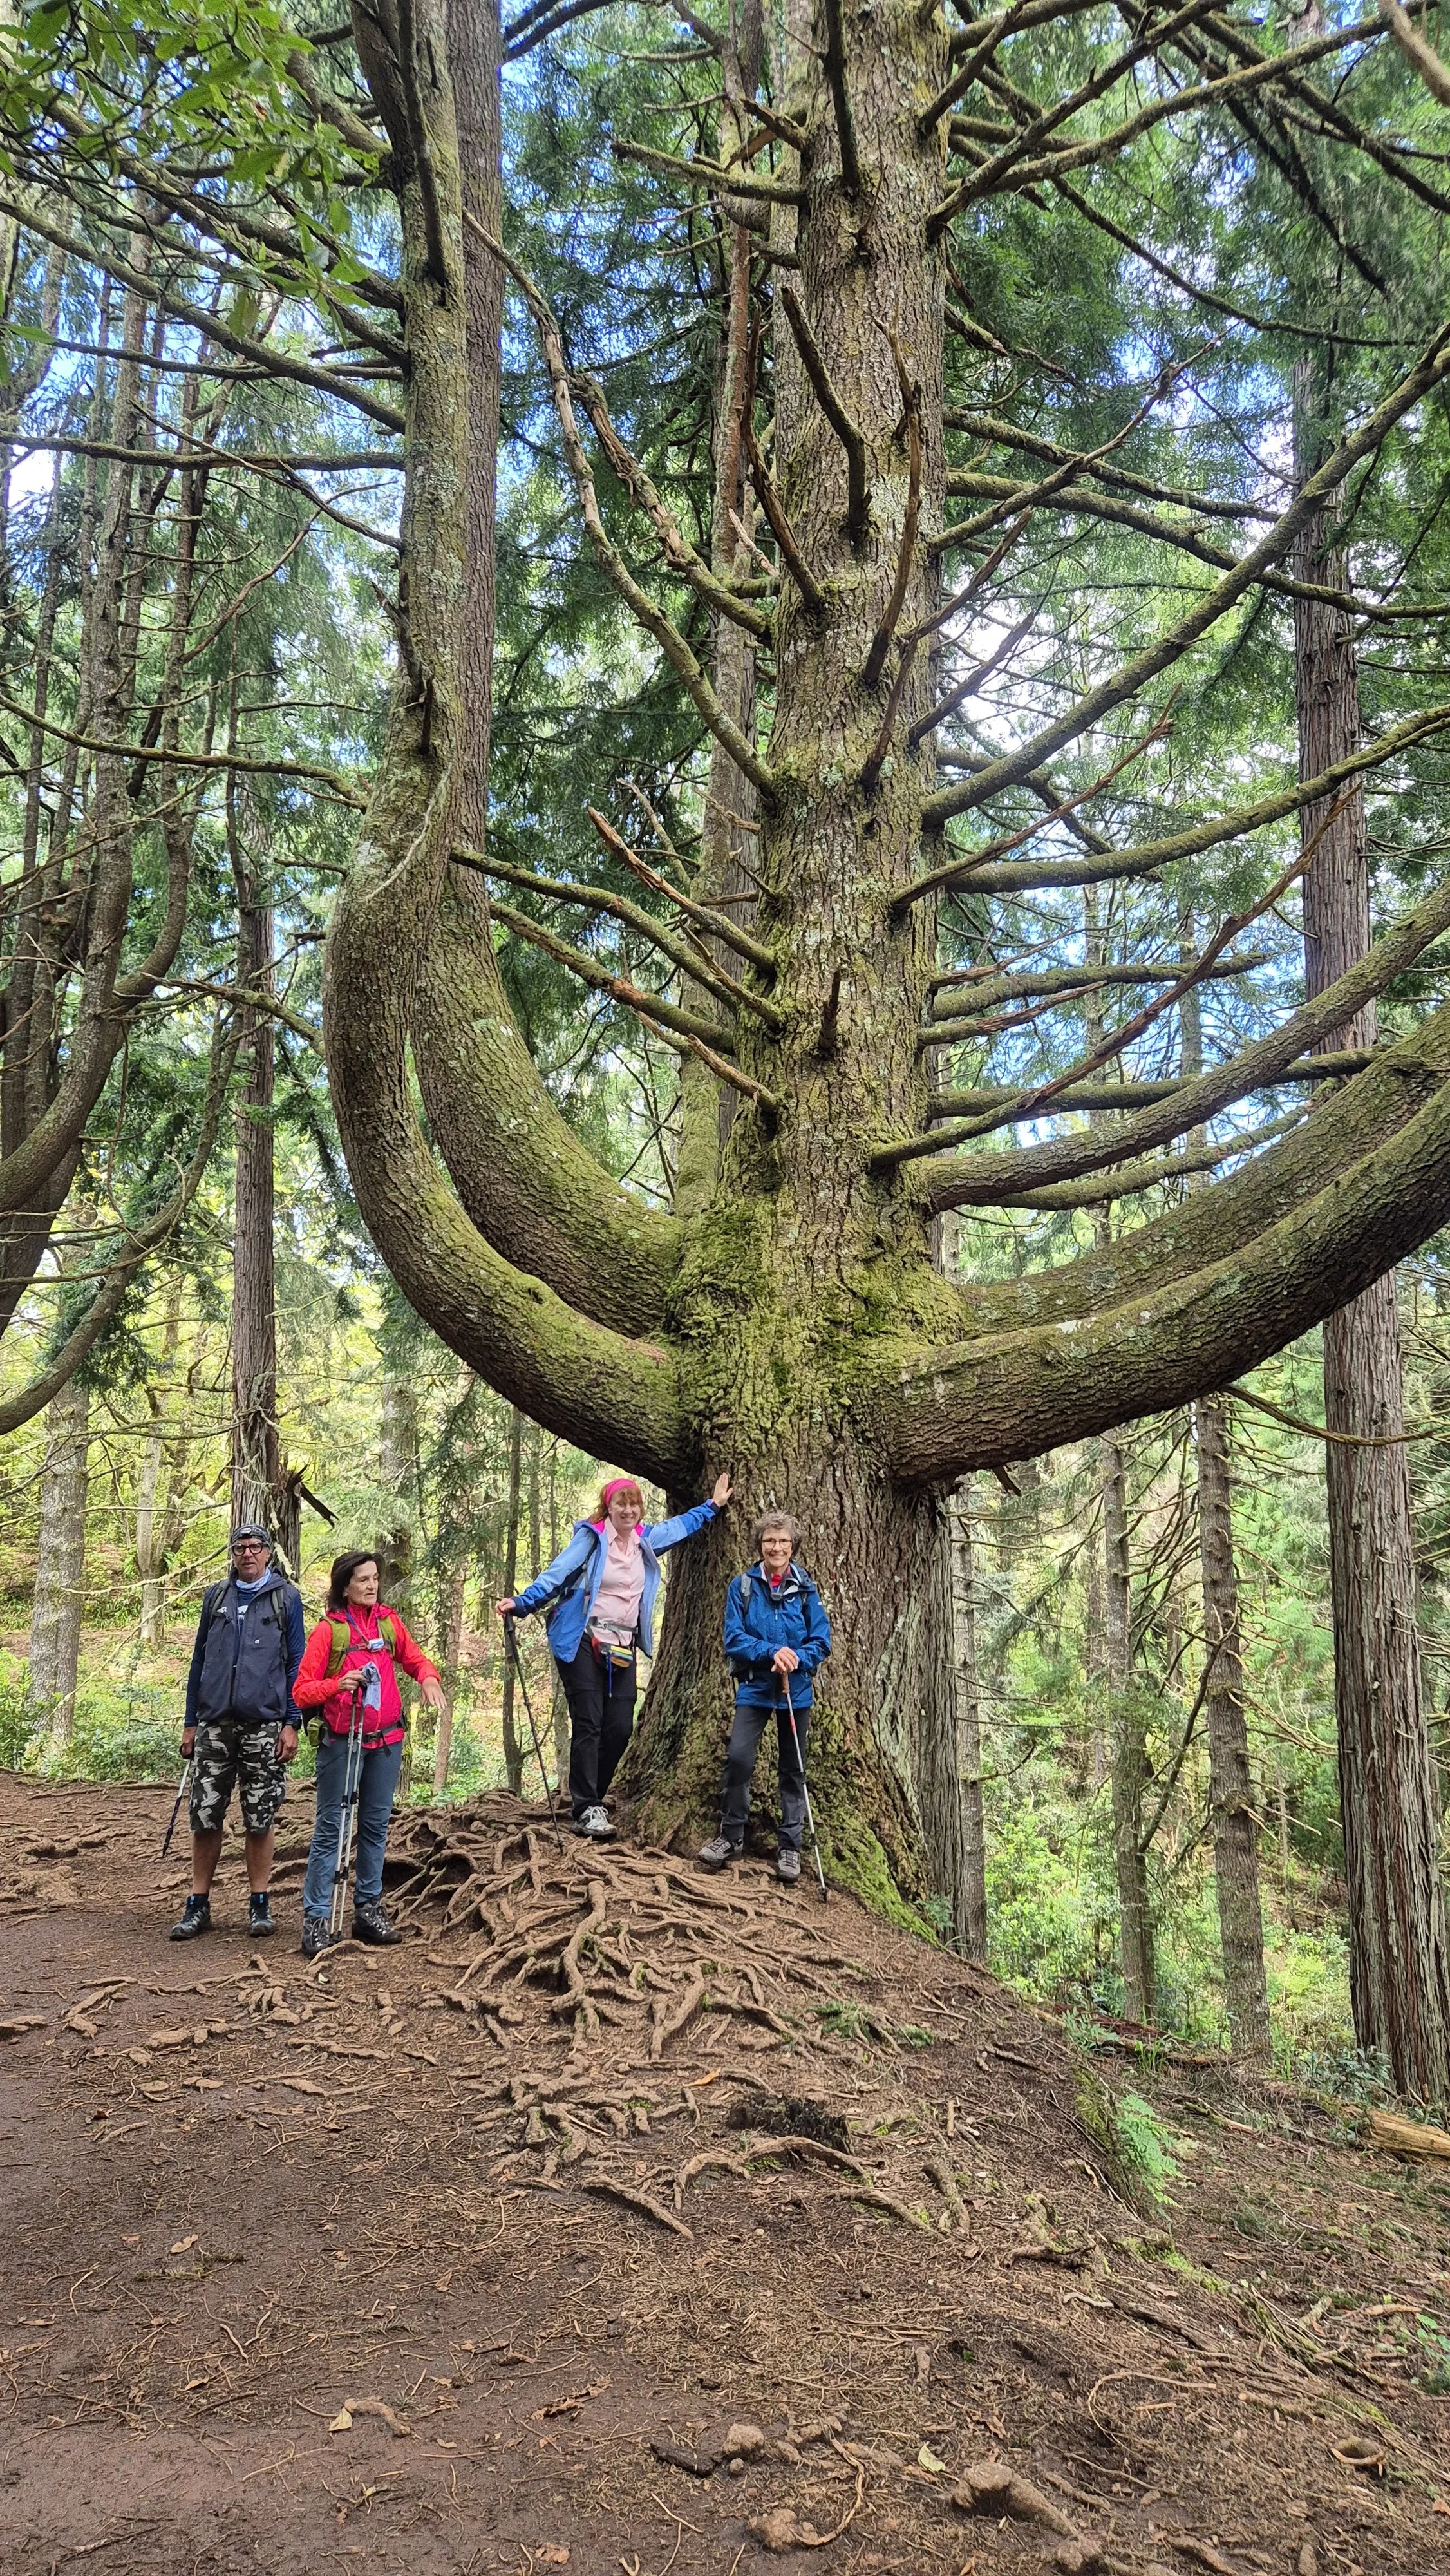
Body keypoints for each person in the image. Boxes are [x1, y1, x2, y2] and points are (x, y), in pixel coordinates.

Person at [498, 1470, 731, 1840]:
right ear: (608, 1507)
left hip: (621, 1646)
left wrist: (713, 1506)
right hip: (581, 1641)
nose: (628, 1511)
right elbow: (556, 1575)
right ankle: (586, 1806)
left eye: (634, 1504)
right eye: (620, 1504)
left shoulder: (646, 1540)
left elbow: (681, 1526)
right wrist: (523, 1603)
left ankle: (596, 1797)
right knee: (589, 1722)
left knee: (621, 1727)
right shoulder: (592, 1540)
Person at [292, 1550, 446, 1958]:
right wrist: (338, 1685)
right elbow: (302, 1690)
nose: (372, 1585)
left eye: (375, 1578)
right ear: (345, 1585)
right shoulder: (329, 1631)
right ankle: (317, 1918)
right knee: (333, 1828)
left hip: (386, 1740)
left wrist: (429, 1676)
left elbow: (414, 1658)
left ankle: (368, 1909)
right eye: (363, 1579)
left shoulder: (388, 1622)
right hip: (342, 1740)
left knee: (376, 1827)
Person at [171, 1523, 306, 1942]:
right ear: (232, 1553)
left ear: (268, 1553)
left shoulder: (286, 1599)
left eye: (255, 1547)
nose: (247, 1554)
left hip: (264, 1725)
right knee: (205, 1814)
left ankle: (260, 1903)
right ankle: (198, 1904)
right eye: (240, 1547)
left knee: (260, 1816)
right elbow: (199, 1660)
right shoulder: (217, 1597)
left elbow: (297, 1665)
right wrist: (191, 1720)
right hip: (214, 1724)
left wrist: (291, 1722)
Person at [699, 1511, 831, 1883]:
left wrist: (796, 1658)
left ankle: (790, 1846)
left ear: (793, 1546)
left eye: (783, 1541)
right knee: (739, 1760)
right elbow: (734, 1638)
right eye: (770, 1541)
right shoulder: (742, 1586)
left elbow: (821, 1642)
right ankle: (730, 1836)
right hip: (755, 1689)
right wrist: (772, 1651)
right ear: (760, 1545)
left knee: (794, 1769)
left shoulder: (806, 1589)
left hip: (796, 1692)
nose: (777, 1547)